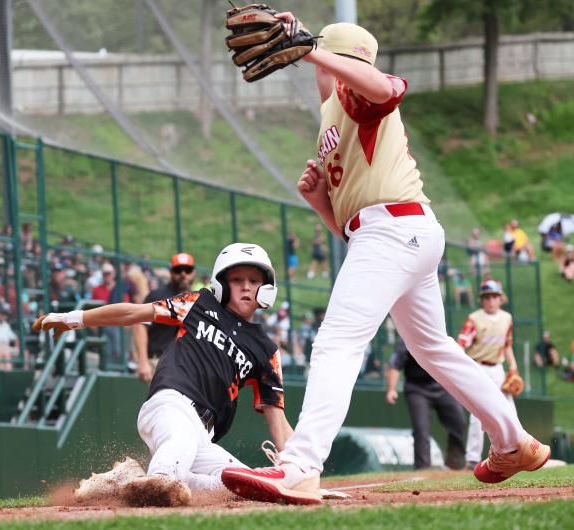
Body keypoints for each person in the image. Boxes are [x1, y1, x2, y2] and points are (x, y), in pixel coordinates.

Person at [220, 18, 550, 505]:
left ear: (336, 58)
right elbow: (350, 231)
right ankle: (513, 442)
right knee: (433, 348)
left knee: (336, 341)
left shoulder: (357, 92)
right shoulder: (333, 108)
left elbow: (388, 88)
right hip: (393, 233)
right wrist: (319, 202)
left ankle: (300, 466)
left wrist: (310, 47)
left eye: (319, 54)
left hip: (394, 231)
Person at [33, 243, 292, 505]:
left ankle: (129, 480)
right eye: (237, 279)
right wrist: (74, 318)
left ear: (266, 288)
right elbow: (134, 313)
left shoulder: (266, 350)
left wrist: (300, 468)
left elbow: (277, 418)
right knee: (168, 472)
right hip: (172, 404)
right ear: (222, 283)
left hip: (204, 434)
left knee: (247, 486)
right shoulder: (199, 303)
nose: (246, 286)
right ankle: (157, 479)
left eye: (254, 280)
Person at [457, 280, 520, 469]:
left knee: (509, 409)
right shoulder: (474, 318)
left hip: (498, 368)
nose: (491, 301)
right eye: (487, 297)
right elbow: (461, 345)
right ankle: (473, 458)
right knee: (478, 413)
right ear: (481, 300)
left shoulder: (507, 318)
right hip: (478, 368)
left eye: (494, 297)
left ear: (500, 298)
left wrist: (514, 366)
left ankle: (515, 450)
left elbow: (507, 344)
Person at [386, 337, 465, 470]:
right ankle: (422, 469)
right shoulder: (406, 339)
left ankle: (454, 461)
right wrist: (391, 389)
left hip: (441, 386)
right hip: (417, 389)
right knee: (421, 429)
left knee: (459, 421)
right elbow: (394, 365)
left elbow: (454, 361)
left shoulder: (438, 336)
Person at [132, 253, 196, 383]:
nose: (183, 274)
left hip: (188, 366)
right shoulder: (158, 296)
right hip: (159, 363)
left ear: (193, 273)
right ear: (171, 272)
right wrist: (143, 361)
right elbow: (140, 326)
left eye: (187, 270)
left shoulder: (199, 300)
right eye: (178, 270)